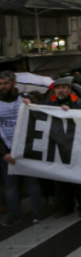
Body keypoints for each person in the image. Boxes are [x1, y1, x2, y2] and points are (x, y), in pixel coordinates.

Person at [0, 71, 46, 226]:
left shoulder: (25, 99)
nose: (2, 87)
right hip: (6, 150)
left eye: (6, 83)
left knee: (32, 182)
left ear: (14, 83)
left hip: (26, 148)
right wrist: (3, 153)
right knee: (10, 185)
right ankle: (14, 214)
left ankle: (38, 212)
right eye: (0, 84)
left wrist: (31, 103)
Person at [45, 76, 81, 217]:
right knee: (60, 180)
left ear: (69, 89)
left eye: (63, 88)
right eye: (58, 88)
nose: (61, 90)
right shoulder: (49, 103)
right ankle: (66, 207)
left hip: (75, 145)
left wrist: (70, 112)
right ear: (54, 90)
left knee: (78, 179)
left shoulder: (79, 103)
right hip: (58, 146)